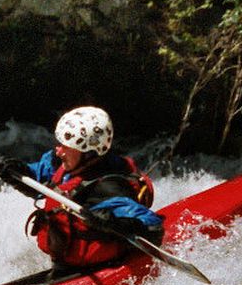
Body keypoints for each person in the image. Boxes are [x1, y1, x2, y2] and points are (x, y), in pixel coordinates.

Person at [23, 106, 163, 268]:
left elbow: (152, 226)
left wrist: (115, 223)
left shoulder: (108, 188)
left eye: (66, 147)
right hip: (64, 261)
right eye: (60, 144)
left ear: (88, 153)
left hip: (101, 266)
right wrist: (17, 171)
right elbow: (38, 173)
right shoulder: (66, 162)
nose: (59, 151)